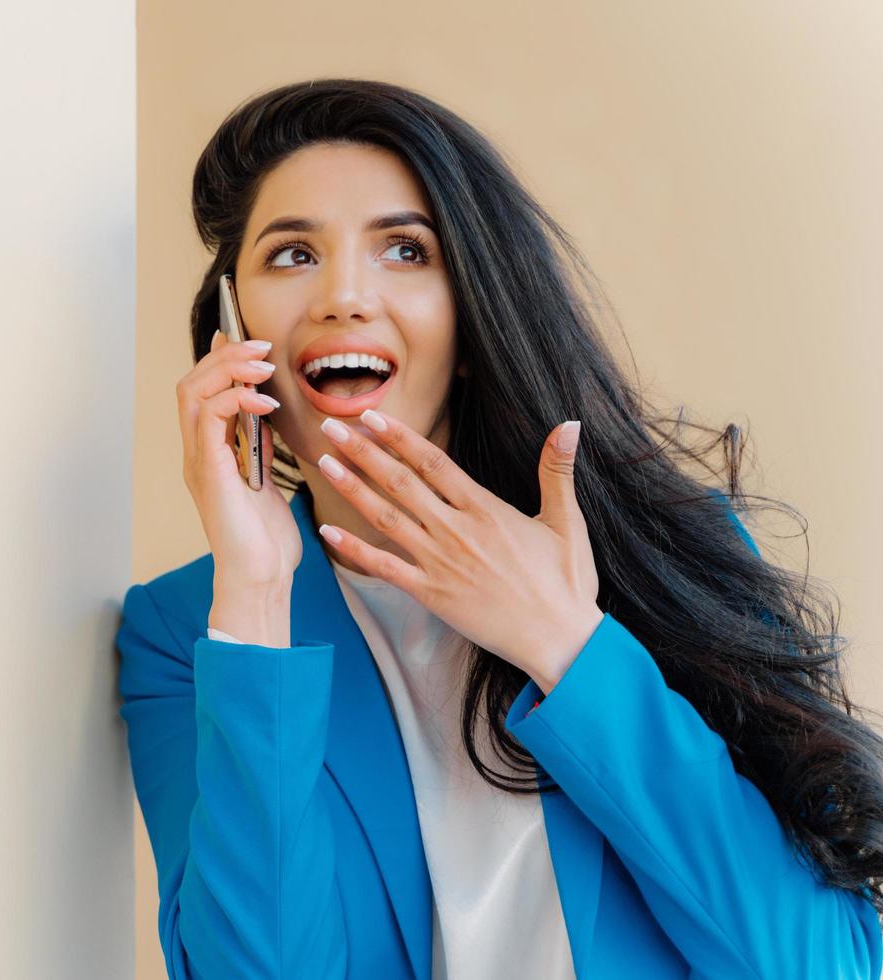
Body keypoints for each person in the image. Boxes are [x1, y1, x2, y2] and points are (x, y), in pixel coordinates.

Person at [115, 77, 883, 979]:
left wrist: (567, 643)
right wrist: (255, 594)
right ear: (235, 332)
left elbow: (824, 966)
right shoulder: (186, 632)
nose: (344, 297)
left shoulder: (661, 552)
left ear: (474, 321)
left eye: (406, 250)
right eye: (292, 257)